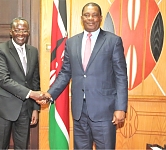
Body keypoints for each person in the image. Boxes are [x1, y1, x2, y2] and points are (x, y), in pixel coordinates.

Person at [40, 2, 128, 149]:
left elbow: (121, 77)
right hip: (80, 111)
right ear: (82, 18)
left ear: (100, 18)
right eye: (87, 15)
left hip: (104, 111)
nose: (91, 18)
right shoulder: (72, 43)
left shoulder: (113, 41)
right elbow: (65, 73)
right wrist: (49, 94)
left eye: (94, 15)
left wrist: (121, 107)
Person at [0, 17, 44, 149]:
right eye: (17, 30)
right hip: (4, 107)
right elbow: (3, 79)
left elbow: (35, 80)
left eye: (24, 30)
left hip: (25, 109)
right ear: (11, 32)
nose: (21, 34)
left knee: (22, 147)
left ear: (28, 32)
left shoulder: (33, 51)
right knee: (0, 146)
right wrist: (31, 94)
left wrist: (36, 109)